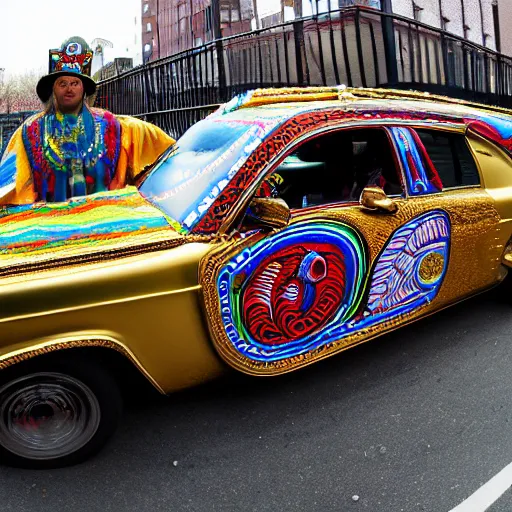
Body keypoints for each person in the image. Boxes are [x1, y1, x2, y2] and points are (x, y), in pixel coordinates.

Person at [0, 36, 175, 205]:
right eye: (62, 83)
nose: (69, 89)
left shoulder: (113, 126)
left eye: (75, 83)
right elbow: (9, 184)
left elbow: (163, 148)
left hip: (103, 223)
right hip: (49, 226)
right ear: (53, 89)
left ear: (84, 90)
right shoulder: (30, 131)